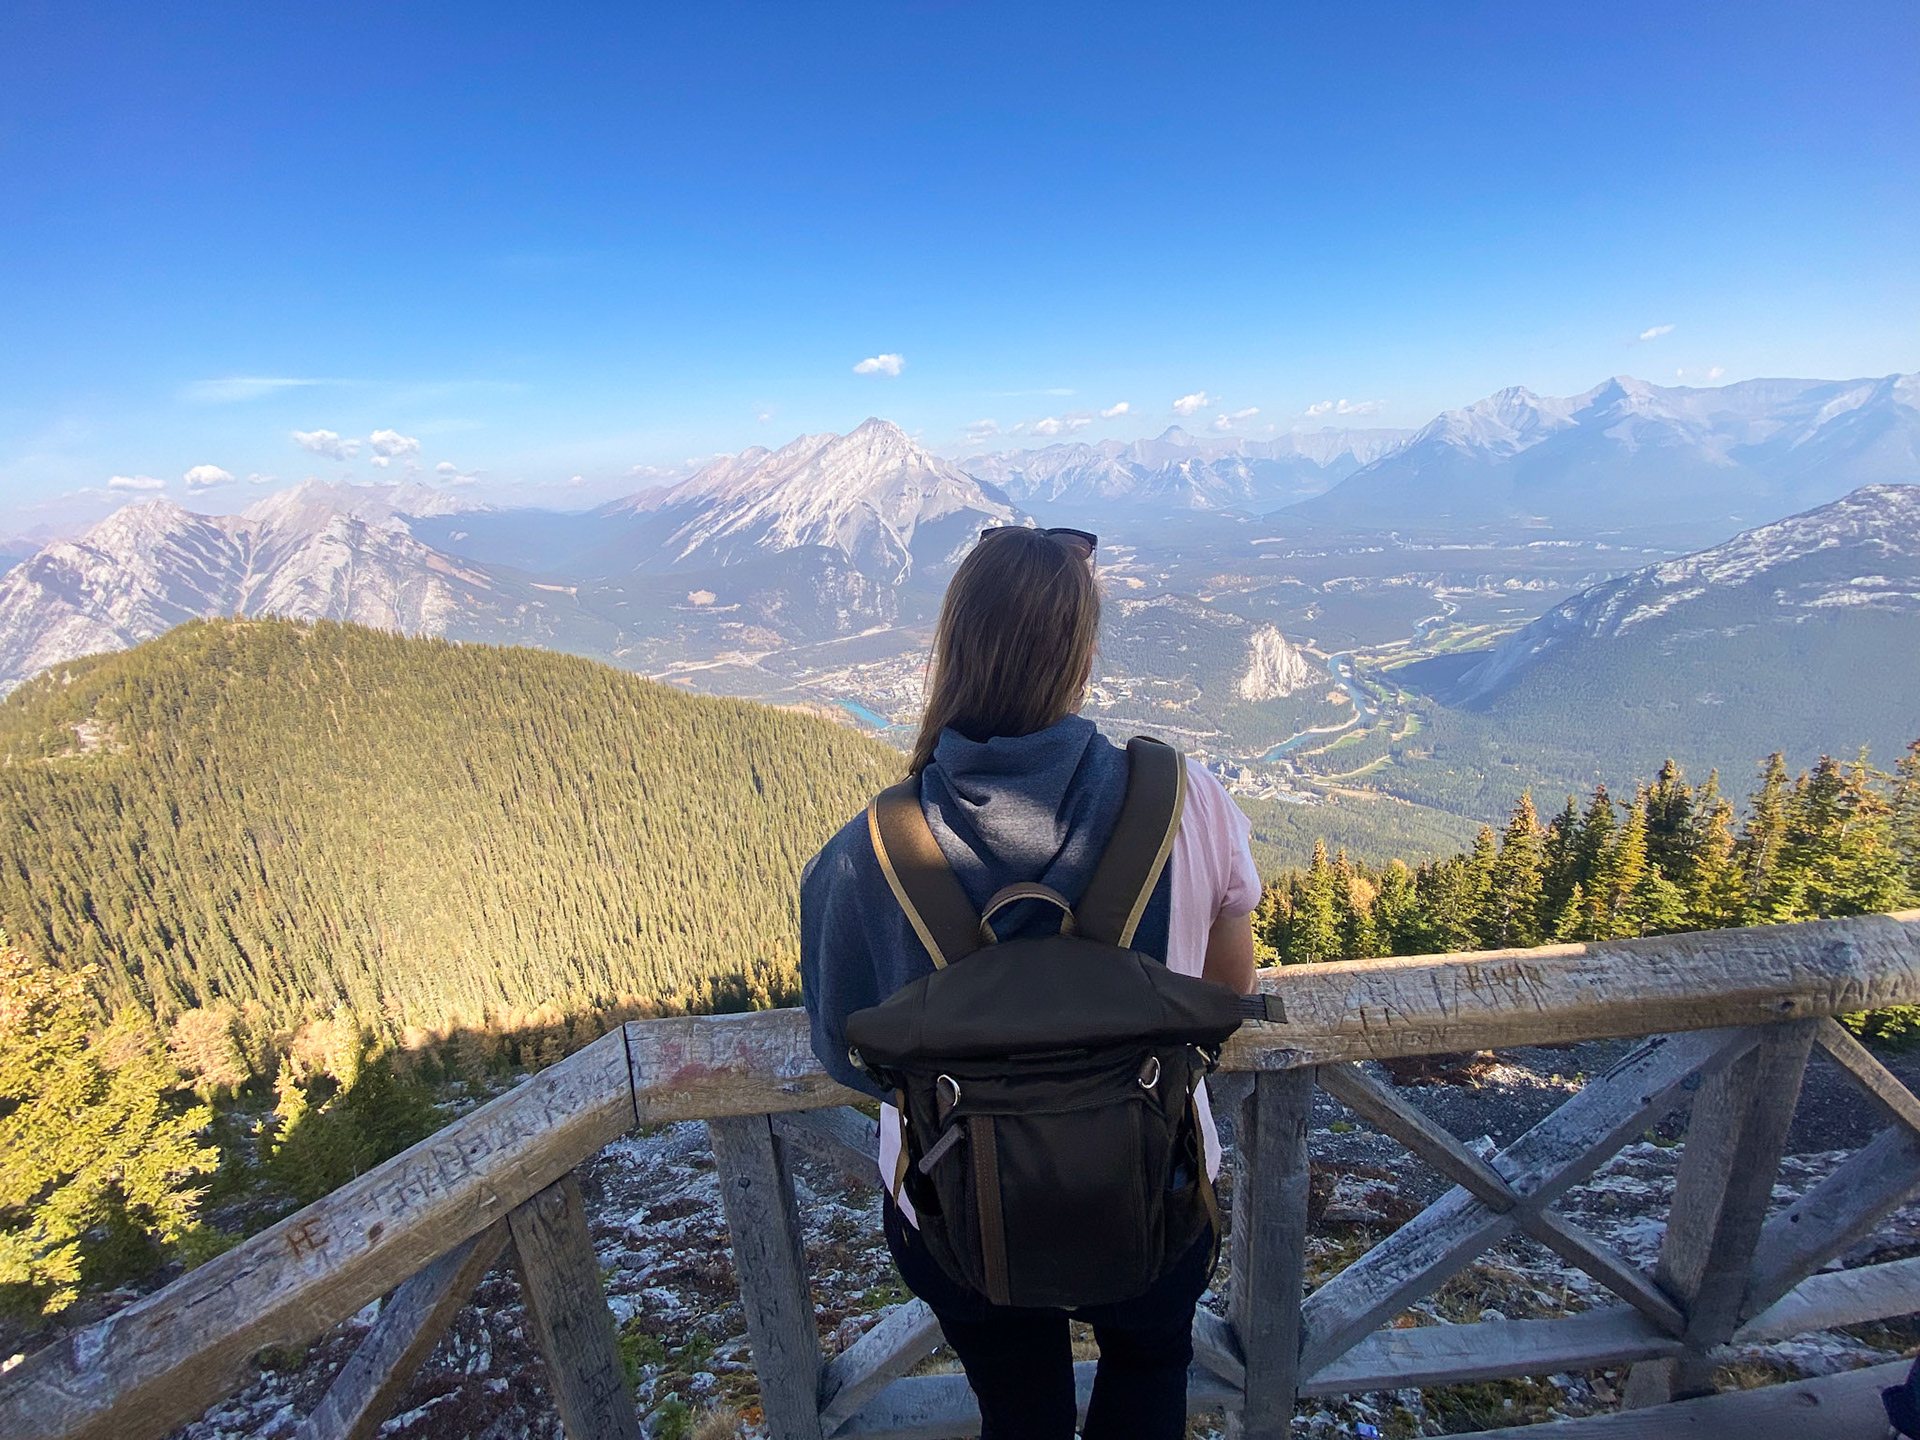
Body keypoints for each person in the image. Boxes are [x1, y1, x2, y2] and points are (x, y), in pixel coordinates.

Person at [800, 525, 1262, 1440]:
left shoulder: (865, 855)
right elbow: (1228, 988)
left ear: (952, 656)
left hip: (958, 1211)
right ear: (1081, 660)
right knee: (1149, 1367)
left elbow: (848, 1062)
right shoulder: (1186, 798)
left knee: (1020, 1411)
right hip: (1155, 1178)